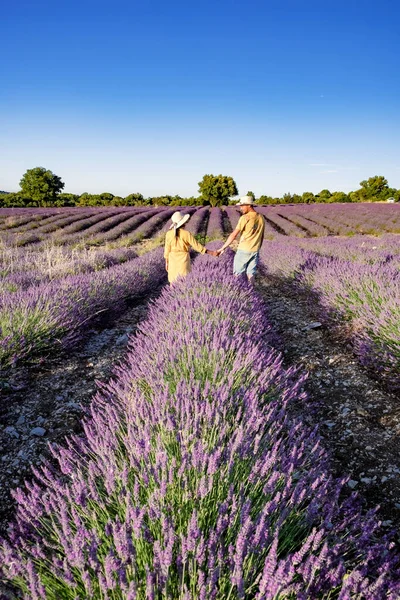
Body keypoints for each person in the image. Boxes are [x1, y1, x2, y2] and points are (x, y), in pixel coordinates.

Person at [216, 196, 265, 280]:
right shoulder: (261, 217)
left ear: (249, 205)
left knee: (237, 274)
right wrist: (257, 247)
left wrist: (223, 247)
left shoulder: (245, 218)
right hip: (255, 250)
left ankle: (239, 291)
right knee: (251, 273)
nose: (240, 208)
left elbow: (233, 235)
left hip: (244, 250)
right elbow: (262, 235)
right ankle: (251, 291)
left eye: (242, 205)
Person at [164, 211, 218, 283]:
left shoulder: (168, 234)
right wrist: (211, 253)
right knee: (183, 281)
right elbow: (197, 246)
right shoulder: (186, 233)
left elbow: (167, 250)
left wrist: (167, 262)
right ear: (183, 222)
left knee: (172, 281)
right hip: (183, 259)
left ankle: (172, 294)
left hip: (172, 259)